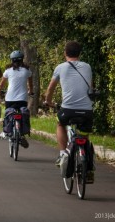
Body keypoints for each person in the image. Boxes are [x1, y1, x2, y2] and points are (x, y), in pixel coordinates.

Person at [44, 41, 94, 177]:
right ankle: (88, 167)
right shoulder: (87, 67)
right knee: (84, 134)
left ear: (65, 53)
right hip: (86, 111)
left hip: (68, 109)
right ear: (80, 53)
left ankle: (62, 154)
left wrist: (48, 101)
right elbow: (90, 87)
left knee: (60, 123)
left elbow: (50, 88)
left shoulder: (60, 67)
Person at [0, 50, 33, 147]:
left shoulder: (8, 71)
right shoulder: (27, 71)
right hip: (23, 98)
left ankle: (5, 131)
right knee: (22, 113)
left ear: (12, 60)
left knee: (8, 113)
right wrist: (31, 91)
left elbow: (2, 83)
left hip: (10, 98)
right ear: (22, 59)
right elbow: (30, 84)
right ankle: (22, 134)